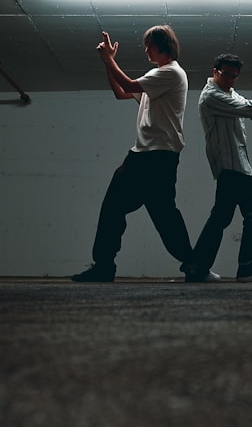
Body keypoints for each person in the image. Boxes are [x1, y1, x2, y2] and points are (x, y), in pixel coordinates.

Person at [71, 26, 213, 282]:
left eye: (149, 45)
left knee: (165, 215)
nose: (146, 50)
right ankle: (104, 266)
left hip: (160, 157)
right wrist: (107, 64)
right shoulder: (156, 75)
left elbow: (127, 83)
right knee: (113, 207)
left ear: (162, 46)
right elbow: (121, 92)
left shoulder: (172, 73)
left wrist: (109, 59)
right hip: (140, 156)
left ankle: (194, 264)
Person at [188, 53, 252, 282]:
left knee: (220, 218)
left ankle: (197, 269)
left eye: (234, 76)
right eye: (225, 74)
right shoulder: (212, 96)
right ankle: (247, 268)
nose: (229, 79)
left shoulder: (228, 93)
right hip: (233, 166)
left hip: (235, 165)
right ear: (215, 71)